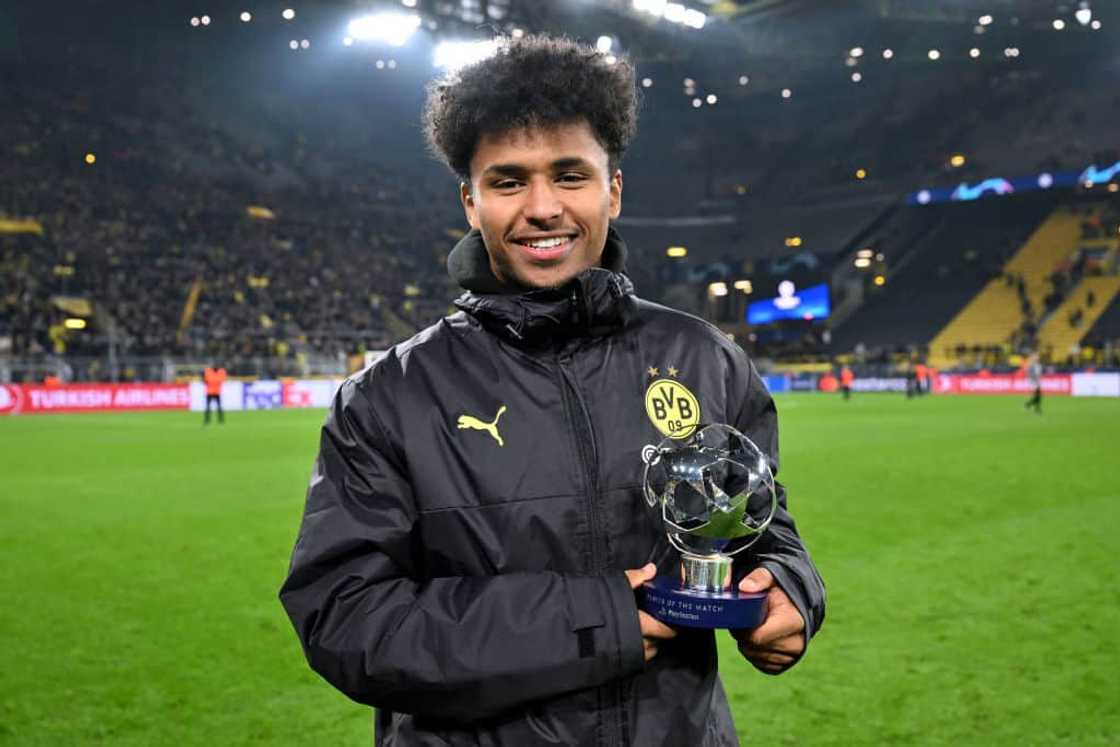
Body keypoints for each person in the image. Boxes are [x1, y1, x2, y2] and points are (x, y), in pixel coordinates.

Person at [279, 35, 825, 746]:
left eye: (570, 175)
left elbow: (758, 524)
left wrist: (787, 583)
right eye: (508, 182)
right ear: (470, 202)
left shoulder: (706, 358)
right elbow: (346, 618)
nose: (542, 207)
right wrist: (597, 620)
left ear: (613, 189)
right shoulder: (388, 398)